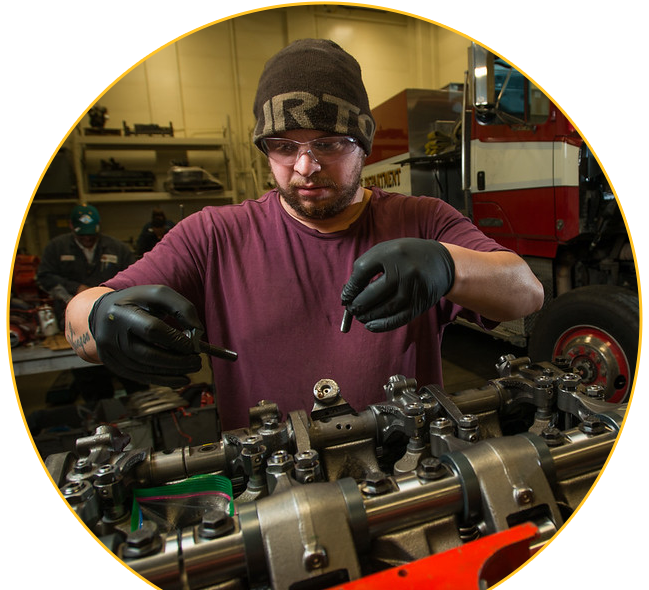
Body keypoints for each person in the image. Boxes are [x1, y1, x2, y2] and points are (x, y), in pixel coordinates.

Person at [65, 39, 544, 431]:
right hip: (269, 489)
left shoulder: (422, 220)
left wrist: (447, 265)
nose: (305, 166)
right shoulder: (213, 236)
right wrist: (103, 318)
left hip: (410, 478)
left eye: (328, 144)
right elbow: (80, 318)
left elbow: (526, 293)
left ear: (364, 144)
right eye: (283, 146)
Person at [37, 203, 144, 400]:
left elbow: (136, 277)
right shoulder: (56, 248)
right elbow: (44, 277)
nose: (87, 239)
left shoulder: (117, 249)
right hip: (76, 323)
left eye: (91, 235)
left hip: (115, 320)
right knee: (92, 384)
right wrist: (75, 288)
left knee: (135, 381)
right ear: (71, 227)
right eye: (82, 235)